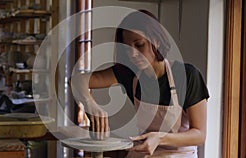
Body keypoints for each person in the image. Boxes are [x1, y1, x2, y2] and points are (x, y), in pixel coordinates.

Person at [71, 9, 209, 157]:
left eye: (139, 45)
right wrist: (89, 103)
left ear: (156, 40)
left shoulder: (187, 76)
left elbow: (199, 134)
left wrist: (160, 138)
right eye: (127, 47)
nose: (133, 54)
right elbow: (78, 80)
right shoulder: (129, 73)